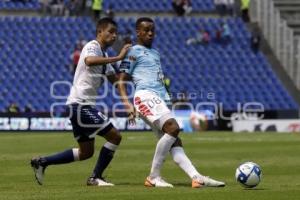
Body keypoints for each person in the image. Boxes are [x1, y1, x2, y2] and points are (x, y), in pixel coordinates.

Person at [118, 17, 225, 188]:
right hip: (144, 96)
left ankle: (196, 177)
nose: (150, 33)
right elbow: (121, 80)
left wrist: (167, 100)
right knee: (173, 128)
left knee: (175, 141)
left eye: (152, 30)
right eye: (146, 30)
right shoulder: (133, 51)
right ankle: (153, 177)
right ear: (137, 32)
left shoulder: (155, 53)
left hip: (159, 99)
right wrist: (127, 104)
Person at [30, 18, 131, 186]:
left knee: (86, 152)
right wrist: (118, 56)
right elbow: (89, 61)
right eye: (110, 32)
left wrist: (130, 66)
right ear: (100, 32)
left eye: (116, 33)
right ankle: (95, 177)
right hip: (80, 105)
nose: (114, 36)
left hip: (79, 105)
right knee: (115, 136)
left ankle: (42, 162)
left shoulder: (105, 56)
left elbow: (117, 82)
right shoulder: (92, 46)